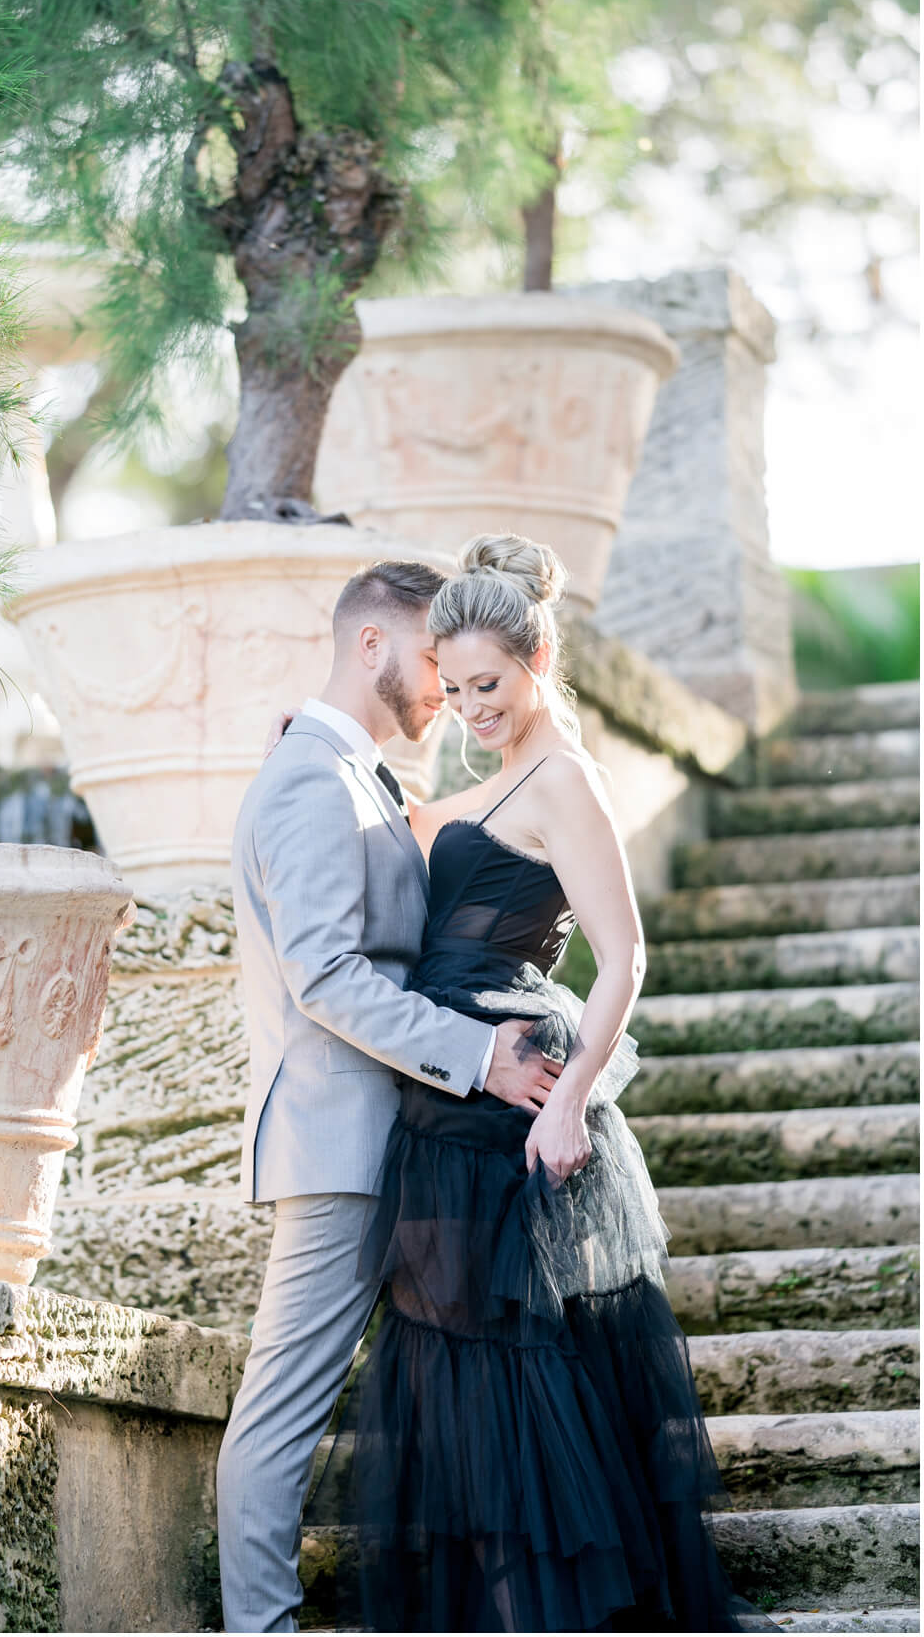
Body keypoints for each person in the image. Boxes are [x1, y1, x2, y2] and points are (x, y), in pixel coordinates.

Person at [308, 532, 779, 1633]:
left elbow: (627, 958)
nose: (470, 706)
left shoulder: (565, 778)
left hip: (514, 1114)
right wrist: (332, 748)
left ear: (541, 657)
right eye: (455, 686)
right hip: (444, 1100)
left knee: (515, 1383)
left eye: (490, 684)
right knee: (454, 1386)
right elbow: (433, 836)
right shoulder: (499, 774)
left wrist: (570, 1102)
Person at [216, 558, 563, 1635]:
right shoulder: (308, 780)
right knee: (278, 1421)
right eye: (430, 664)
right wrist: (481, 1055)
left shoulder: (344, 773)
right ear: (370, 646)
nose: (446, 694)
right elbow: (326, 977)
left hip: (397, 1143)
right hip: (338, 1145)